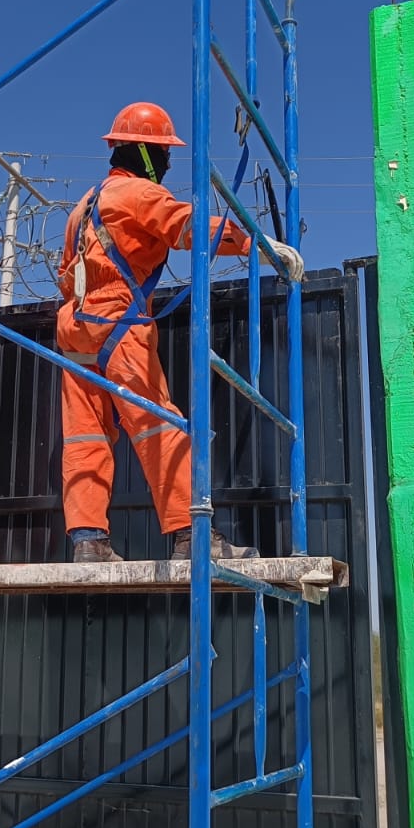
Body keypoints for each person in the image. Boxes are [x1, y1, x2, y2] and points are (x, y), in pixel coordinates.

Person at [55, 101, 304, 564]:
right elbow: (186, 225)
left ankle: (88, 541)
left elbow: (65, 274)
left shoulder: (81, 207)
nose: (168, 165)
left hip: (75, 328)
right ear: (147, 154)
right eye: (164, 155)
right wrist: (255, 244)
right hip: (117, 325)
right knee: (159, 428)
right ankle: (193, 537)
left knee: (85, 438)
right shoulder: (137, 195)